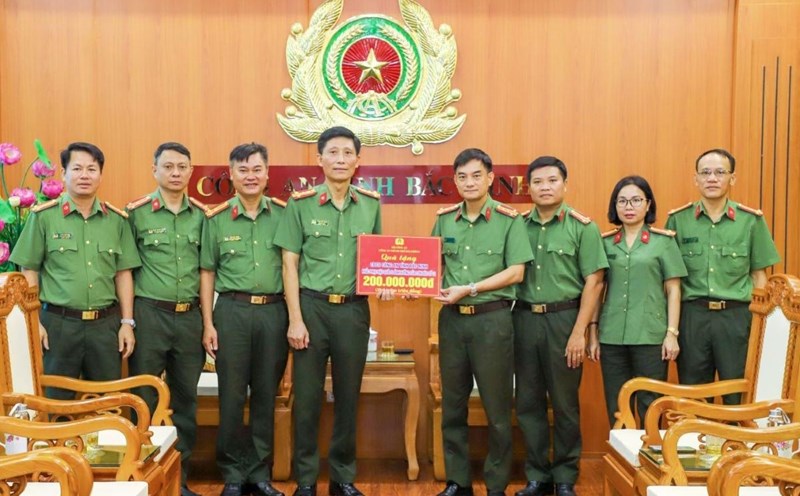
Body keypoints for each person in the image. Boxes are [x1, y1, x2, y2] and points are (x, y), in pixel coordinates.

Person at [274, 126, 390, 496]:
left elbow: (378, 259)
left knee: (348, 395)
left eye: (347, 153)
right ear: (320, 159)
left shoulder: (371, 204)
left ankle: (343, 478)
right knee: (306, 399)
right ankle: (306, 480)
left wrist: (384, 283)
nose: (340, 160)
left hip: (353, 312)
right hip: (311, 309)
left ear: (358, 161)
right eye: (333, 153)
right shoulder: (301, 204)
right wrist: (295, 318)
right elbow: (289, 264)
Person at [431, 148, 533, 496]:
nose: (469, 182)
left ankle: (495, 485)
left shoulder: (509, 220)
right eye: (462, 176)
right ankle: (458, 482)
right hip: (452, 323)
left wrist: (470, 288)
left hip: (492, 321)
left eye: (477, 175)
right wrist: (400, 282)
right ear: (455, 180)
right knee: (452, 406)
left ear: (491, 178)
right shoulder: (445, 219)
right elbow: (431, 267)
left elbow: (516, 271)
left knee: (497, 410)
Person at [10, 142, 140, 399]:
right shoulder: (44, 217)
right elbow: (29, 269)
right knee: (56, 401)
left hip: (106, 327)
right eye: (77, 168)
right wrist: (34, 320)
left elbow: (123, 274)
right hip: (58, 325)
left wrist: (127, 323)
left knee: (107, 403)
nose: (84, 175)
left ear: (100, 175)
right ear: (63, 173)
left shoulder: (116, 220)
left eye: (91, 169)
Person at [512, 156, 607, 496]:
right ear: (529, 188)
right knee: (528, 401)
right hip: (522, 319)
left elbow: (594, 282)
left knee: (565, 403)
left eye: (552, 180)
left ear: (565, 185)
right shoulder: (516, 225)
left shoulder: (583, 227)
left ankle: (565, 475)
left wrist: (579, 332)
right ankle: (537, 475)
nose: (545, 187)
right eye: (538, 181)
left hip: (565, 320)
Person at [200, 142, 288, 496]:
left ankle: (259, 472)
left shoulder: (285, 215)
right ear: (231, 175)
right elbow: (207, 273)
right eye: (242, 170)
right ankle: (233, 474)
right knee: (232, 396)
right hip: (231, 312)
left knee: (267, 393)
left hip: (274, 312)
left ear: (267, 174)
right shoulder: (217, 219)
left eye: (256, 169)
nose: (250, 176)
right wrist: (208, 323)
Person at [665, 148, 780, 404]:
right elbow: (670, 280)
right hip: (692, 317)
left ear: (732, 178)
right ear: (696, 179)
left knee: (736, 393)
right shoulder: (678, 221)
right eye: (705, 173)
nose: (712, 178)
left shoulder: (750, 221)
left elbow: (760, 277)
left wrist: (758, 325)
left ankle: (733, 445)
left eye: (720, 172)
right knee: (693, 396)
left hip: (737, 318)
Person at [126, 142, 207, 496]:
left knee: (185, 400)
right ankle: (140, 477)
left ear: (191, 172)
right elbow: (124, 270)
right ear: (154, 169)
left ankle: (179, 478)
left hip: (189, 318)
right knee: (142, 398)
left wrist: (207, 322)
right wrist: (127, 322)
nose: (176, 173)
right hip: (148, 315)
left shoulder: (204, 216)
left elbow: (208, 272)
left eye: (182, 167)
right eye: (169, 166)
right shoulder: (136, 214)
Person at [587, 175, 686, 427]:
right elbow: (598, 289)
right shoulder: (605, 242)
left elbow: (674, 290)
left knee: (650, 406)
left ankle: (648, 463)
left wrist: (671, 333)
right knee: (617, 406)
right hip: (612, 337)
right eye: (622, 201)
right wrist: (593, 332)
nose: (628, 207)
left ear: (648, 204)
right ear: (615, 206)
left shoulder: (663, 242)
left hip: (650, 336)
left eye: (635, 200)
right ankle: (623, 464)